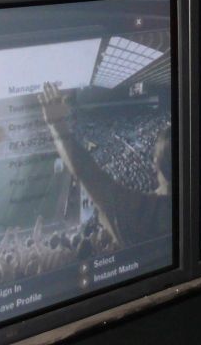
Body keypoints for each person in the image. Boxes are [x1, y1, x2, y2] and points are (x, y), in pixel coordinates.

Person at [37, 83, 172, 248]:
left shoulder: (144, 217)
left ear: (157, 164)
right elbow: (87, 173)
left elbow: (88, 174)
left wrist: (56, 124)